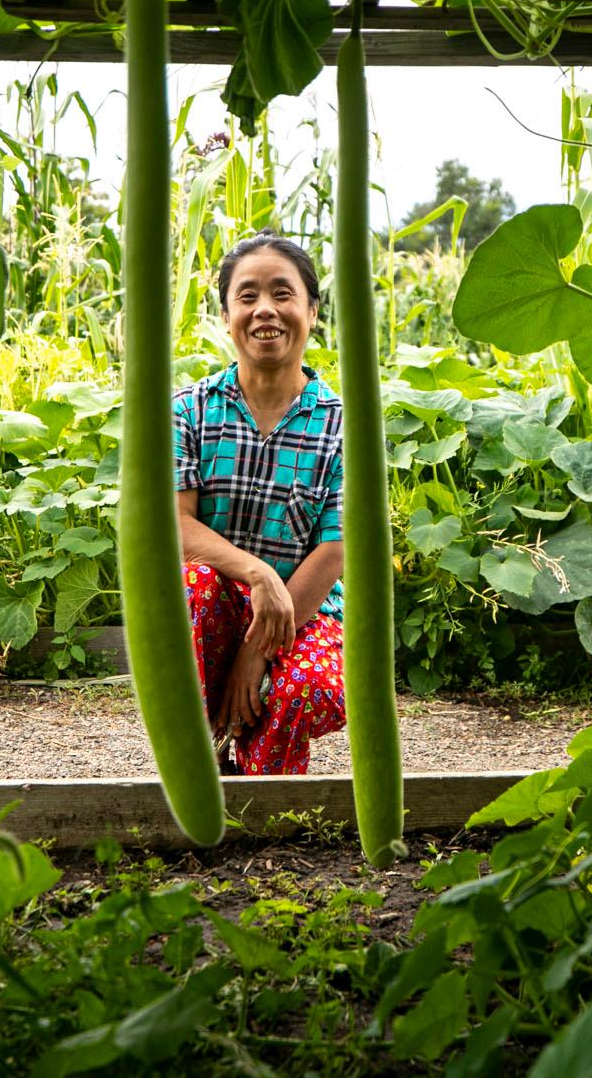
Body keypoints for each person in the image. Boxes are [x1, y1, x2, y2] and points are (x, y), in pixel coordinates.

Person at [172, 232, 348, 775]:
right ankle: (194, 761)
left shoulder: (345, 423)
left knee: (308, 689)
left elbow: (337, 547)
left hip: (307, 608)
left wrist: (260, 648)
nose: (265, 310)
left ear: (312, 311)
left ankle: (262, 789)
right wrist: (257, 577)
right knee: (192, 589)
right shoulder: (189, 410)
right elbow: (174, 526)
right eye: (247, 296)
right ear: (226, 315)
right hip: (217, 601)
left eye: (282, 293)